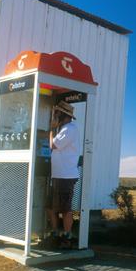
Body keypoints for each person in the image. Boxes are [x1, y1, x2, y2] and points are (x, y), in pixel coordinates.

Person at [46, 100, 80, 246]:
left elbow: (53, 145)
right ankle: (55, 234)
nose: (55, 116)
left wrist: (51, 129)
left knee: (65, 209)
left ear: (62, 114)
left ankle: (67, 237)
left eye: (56, 113)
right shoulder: (65, 129)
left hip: (65, 176)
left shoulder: (69, 129)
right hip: (59, 175)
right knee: (51, 207)